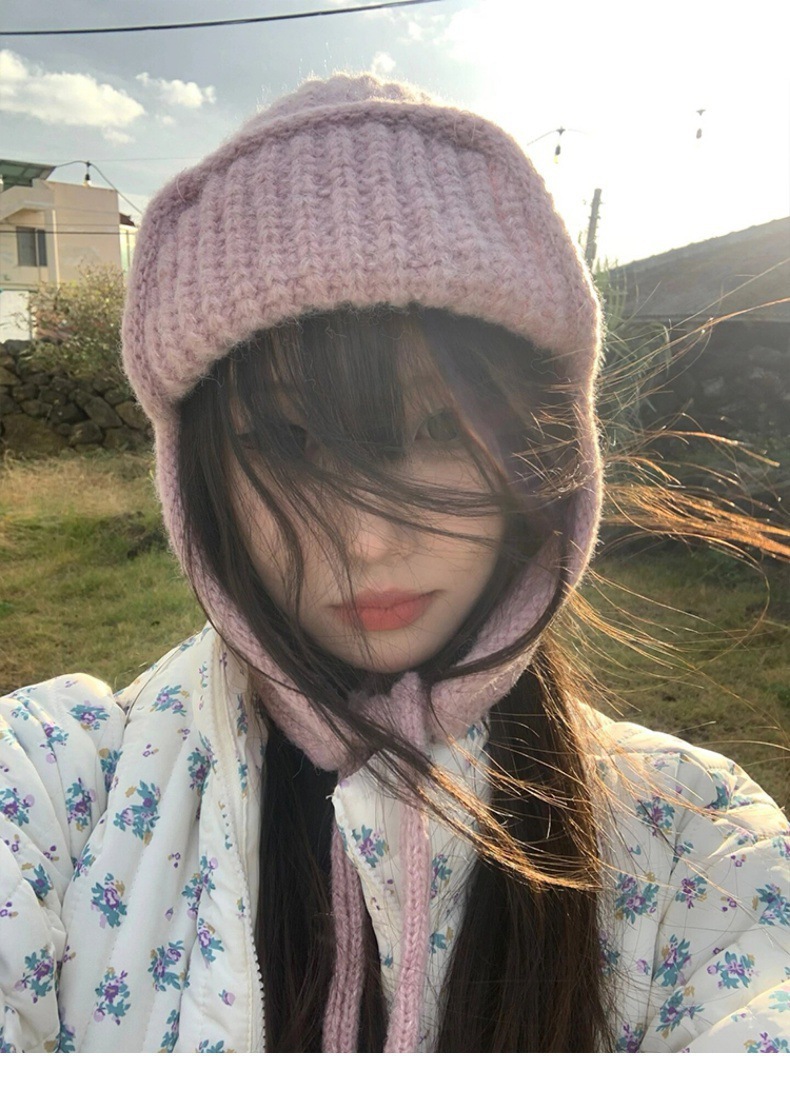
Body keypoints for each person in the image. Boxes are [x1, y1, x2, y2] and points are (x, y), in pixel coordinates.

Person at [1, 73, 788, 1055]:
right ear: (198, 478)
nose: (368, 541)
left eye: (438, 428)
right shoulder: (53, 787)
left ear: (543, 454)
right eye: (286, 441)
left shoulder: (695, 845)